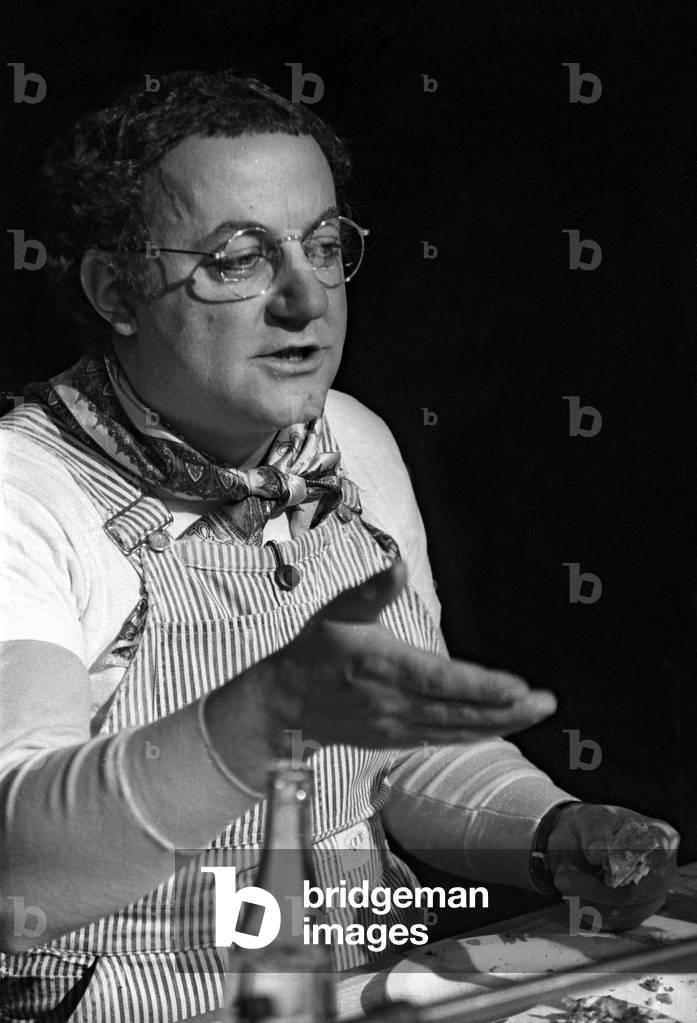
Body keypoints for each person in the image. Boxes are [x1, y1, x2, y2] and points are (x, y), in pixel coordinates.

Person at [0, 69, 679, 1022]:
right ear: (116, 288)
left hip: (357, 989)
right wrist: (255, 716)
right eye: (237, 258)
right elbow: (16, 861)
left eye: (323, 246)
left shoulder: (350, 442)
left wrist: (551, 828)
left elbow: (401, 756)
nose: (304, 299)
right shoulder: (23, 491)